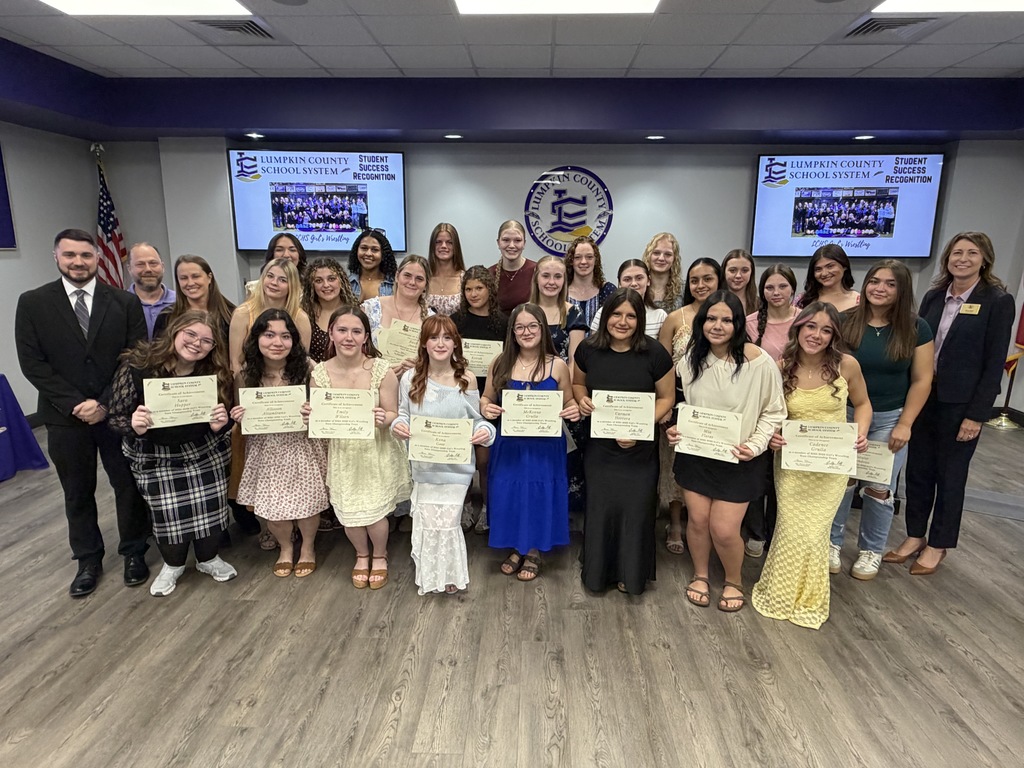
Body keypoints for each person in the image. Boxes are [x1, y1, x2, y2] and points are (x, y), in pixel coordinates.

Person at [15, 228, 151, 597]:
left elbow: (135, 356)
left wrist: (105, 403)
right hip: (64, 417)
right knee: (77, 490)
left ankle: (134, 551)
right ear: (56, 258)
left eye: (86, 255)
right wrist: (76, 403)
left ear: (97, 258)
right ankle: (88, 559)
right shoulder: (33, 302)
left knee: (127, 485)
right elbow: (33, 363)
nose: (78, 262)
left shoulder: (124, 302)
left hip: (117, 413)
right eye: (70, 255)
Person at [886, 232, 1015, 575]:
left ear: (984, 259)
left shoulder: (998, 301)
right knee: (917, 471)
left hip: (962, 404)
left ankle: (939, 543)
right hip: (924, 397)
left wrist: (977, 414)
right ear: (947, 259)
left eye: (972, 253)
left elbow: (994, 363)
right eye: (956, 252)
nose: (963, 259)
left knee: (951, 475)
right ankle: (914, 535)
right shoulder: (933, 297)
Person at [752, 302, 870, 629]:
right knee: (791, 526)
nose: (816, 335)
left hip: (830, 468)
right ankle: (780, 593)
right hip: (792, 464)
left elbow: (862, 405)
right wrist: (773, 436)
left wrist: (860, 432)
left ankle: (809, 598)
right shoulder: (780, 366)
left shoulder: (847, 366)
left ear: (834, 335)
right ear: (798, 328)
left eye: (826, 329)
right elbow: (769, 413)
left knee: (816, 532)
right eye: (810, 327)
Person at [667, 291, 786, 613]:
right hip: (697, 453)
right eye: (711, 319)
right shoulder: (691, 358)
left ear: (738, 323)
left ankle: (734, 580)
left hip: (740, 457)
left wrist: (756, 445)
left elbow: (774, 411)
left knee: (723, 528)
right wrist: (678, 426)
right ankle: (701, 574)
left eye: (726, 320)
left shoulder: (760, 361)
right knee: (698, 520)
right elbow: (685, 404)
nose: (717, 326)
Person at [108, 310, 237, 597]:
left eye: (206, 340)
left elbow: (225, 417)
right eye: (190, 334)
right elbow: (115, 416)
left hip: (203, 450)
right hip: (155, 454)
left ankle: (208, 560)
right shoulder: (138, 364)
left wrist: (221, 422)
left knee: (211, 513)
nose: (196, 343)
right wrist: (132, 423)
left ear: (213, 347)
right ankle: (173, 565)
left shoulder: (213, 372)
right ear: (175, 331)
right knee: (168, 517)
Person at [827, 260, 934, 580]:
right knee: (841, 483)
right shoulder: (845, 322)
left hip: (890, 419)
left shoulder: (917, 328)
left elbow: (922, 380)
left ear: (902, 291)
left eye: (890, 284)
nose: (880, 288)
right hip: (844, 415)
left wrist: (905, 424)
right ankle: (831, 544)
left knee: (878, 488)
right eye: (874, 281)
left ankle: (870, 550)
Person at [573, 288, 675, 595]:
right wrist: (582, 400)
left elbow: (667, 397)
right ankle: (598, 571)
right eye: (617, 314)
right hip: (600, 449)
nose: (623, 321)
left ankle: (630, 574)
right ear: (605, 316)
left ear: (640, 320)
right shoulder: (589, 349)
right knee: (602, 507)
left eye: (631, 316)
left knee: (636, 510)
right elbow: (578, 383)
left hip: (639, 451)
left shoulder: (655, 353)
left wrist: (641, 426)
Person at [391, 316, 496, 595]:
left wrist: (486, 432)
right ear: (424, 343)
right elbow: (402, 414)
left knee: (448, 522)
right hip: (424, 466)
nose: (440, 343)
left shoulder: (466, 378)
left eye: (447, 337)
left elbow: (477, 420)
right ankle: (429, 573)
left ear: (455, 343)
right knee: (426, 522)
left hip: (456, 469)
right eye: (434, 337)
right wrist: (397, 425)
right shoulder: (410, 378)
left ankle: (450, 574)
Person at [310, 306, 412, 589]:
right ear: (331, 333)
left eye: (356, 331)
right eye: (342, 330)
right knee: (349, 510)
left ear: (366, 336)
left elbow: (394, 413)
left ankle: (379, 555)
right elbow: (320, 421)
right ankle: (361, 553)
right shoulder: (320, 373)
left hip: (375, 450)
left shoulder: (382, 370)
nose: (349, 337)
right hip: (343, 452)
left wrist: (384, 419)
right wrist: (311, 415)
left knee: (375, 512)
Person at [481, 304, 580, 581]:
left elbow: (569, 400)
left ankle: (534, 549)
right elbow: (486, 399)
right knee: (509, 493)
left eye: (533, 326)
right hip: (509, 445)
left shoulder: (557, 365)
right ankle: (516, 545)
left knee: (539, 493)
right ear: (512, 332)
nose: (527, 332)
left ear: (542, 329)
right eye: (520, 327)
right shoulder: (499, 362)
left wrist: (573, 409)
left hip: (545, 447)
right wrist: (486, 408)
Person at [231, 309, 328, 578]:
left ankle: (307, 547)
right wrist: (238, 416)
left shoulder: (309, 368)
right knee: (274, 509)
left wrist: (314, 410)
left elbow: (325, 408)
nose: (277, 342)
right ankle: (285, 548)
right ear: (257, 339)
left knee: (308, 503)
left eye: (285, 336)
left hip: (303, 446)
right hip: (267, 450)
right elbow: (242, 415)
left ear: (294, 340)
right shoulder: (246, 373)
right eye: (269, 335)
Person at [228, 258, 312, 548]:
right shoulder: (243, 313)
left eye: (283, 279)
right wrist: (247, 409)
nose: (275, 283)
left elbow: (301, 366)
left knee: (303, 485)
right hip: (257, 404)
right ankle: (274, 531)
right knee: (265, 483)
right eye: (270, 276)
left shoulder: (299, 316)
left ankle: (303, 537)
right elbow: (236, 366)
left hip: (292, 415)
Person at [657, 258, 722, 555]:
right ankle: (675, 522)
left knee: (710, 465)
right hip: (680, 402)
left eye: (707, 279)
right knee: (675, 465)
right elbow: (660, 365)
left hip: (720, 406)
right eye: (694, 280)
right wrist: (666, 404)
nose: (701, 285)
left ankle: (706, 522)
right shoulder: (675, 318)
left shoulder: (728, 317)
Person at [741, 263, 799, 556]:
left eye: (782, 286)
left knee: (785, 476)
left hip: (799, 406)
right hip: (759, 406)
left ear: (793, 288)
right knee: (757, 472)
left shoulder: (805, 321)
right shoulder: (751, 323)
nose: (776, 293)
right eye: (770, 287)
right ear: (762, 291)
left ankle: (779, 533)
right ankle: (755, 532)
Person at [451, 266, 508, 533]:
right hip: (460, 393)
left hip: (491, 395)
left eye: (479, 288)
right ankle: (462, 506)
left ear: (490, 290)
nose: (473, 294)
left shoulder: (504, 322)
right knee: (461, 456)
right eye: (468, 289)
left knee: (485, 460)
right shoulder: (456, 321)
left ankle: (487, 507)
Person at [361, 253, 435, 381]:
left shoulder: (431, 320)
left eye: (419, 279)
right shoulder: (370, 309)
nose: (412, 282)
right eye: (407, 275)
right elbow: (354, 349)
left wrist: (421, 367)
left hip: (414, 387)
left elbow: (438, 361)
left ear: (425, 285)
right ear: (396, 276)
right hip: (371, 383)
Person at [152, 255, 235, 343]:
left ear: (209, 277)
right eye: (184, 278)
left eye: (196, 276)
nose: (190, 283)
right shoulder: (167, 316)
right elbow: (157, 352)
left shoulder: (230, 315)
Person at [529, 254, 587, 370]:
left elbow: (573, 361)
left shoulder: (574, 313)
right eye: (545, 276)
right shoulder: (522, 312)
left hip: (562, 381)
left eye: (557, 277)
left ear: (564, 280)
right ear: (536, 278)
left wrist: (566, 387)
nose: (552, 282)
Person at [589, 259, 668, 339]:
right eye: (627, 279)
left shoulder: (660, 316)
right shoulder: (603, 312)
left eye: (639, 278)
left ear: (648, 281)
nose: (633, 284)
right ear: (619, 283)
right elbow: (595, 346)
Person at [301, 257, 357, 364]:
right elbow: (301, 356)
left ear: (341, 281)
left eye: (331, 279)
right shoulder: (304, 315)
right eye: (318, 281)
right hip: (315, 375)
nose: (326, 285)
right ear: (311, 285)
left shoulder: (357, 311)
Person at [126, 242, 176, 340]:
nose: (148, 269)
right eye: (140, 264)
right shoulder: (118, 305)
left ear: (162, 267)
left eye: (153, 263)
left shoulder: (181, 302)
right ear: (129, 269)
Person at [566, 235, 615, 330]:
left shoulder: (608, 291)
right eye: (578, 257)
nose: (583, 262)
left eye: (589, 257)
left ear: (596, 260)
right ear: (571, 261)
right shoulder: (561, 292)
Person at [489, 220, 536, 313]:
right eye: (506, 240)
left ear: (524, 244)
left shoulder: (536, 271)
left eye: (517, 240)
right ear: (498, 243)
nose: (511, 245)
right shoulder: (489, 274)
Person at [797, 244, 859, 312]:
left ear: (844, 266)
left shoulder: (859, 300)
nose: (824, 273)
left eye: (830, 266)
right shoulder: (802, 301)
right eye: (818, 269)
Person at [426, 222, 466, 316]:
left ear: (456, 246)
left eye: (449, 242)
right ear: (432, 246)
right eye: (438, 242)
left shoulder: (465, 279)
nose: (443, 246)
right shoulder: (423, 277)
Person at [348, 229, 397, 301]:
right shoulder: (347, 283)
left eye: (375, 250)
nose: (368, 253)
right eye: (364, 248)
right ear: (356, 250)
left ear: (383, 254)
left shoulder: (394, 285)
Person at [642, 232, 683, 311]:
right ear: (648, 255)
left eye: (668, 254)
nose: (661, 258)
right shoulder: (638, 287)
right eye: (656, 253)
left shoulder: (683, 290)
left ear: (675, 259)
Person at [722, 248, 758, 315]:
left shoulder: (760, 305)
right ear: (724, 272)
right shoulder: (712, 302)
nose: (738, 276)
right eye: (732, 270)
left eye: (744, 270)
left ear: (751, 273)